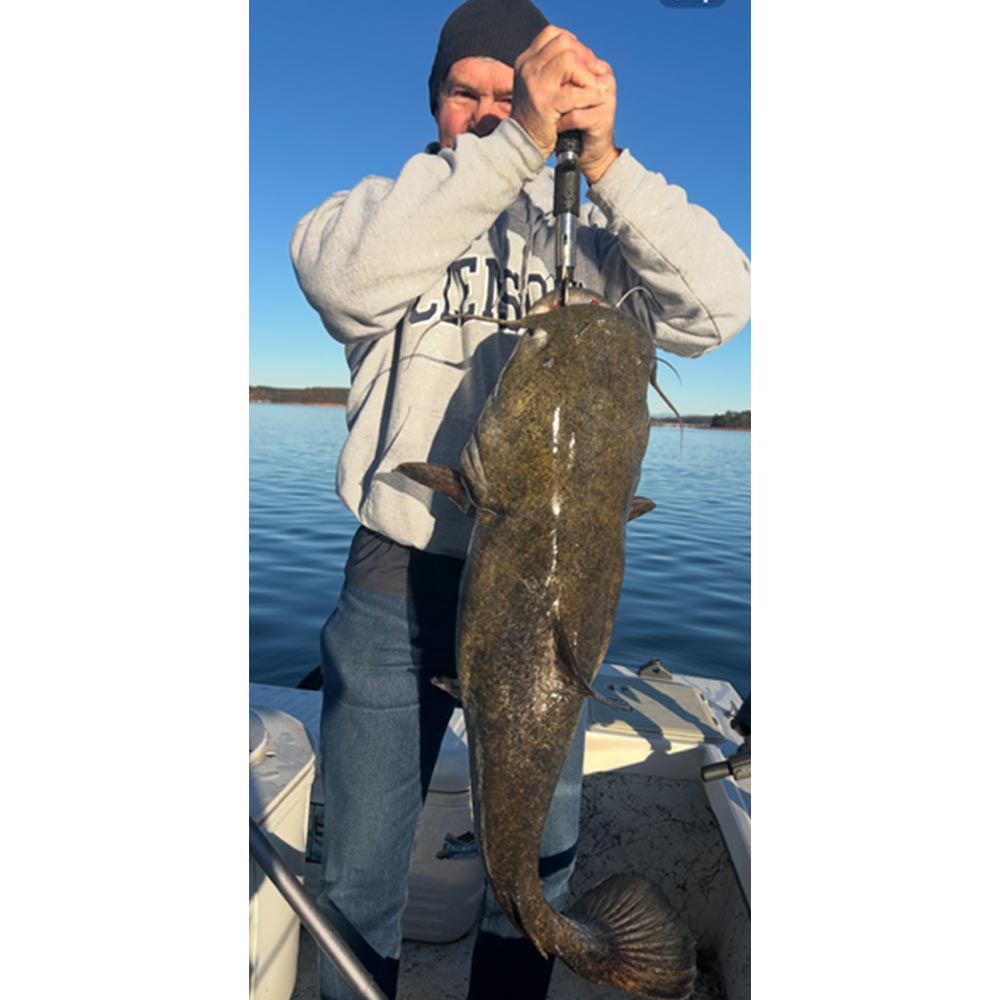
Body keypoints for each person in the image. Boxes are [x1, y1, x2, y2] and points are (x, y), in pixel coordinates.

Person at [289, 1, 750, 997]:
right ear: (433, 99)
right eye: (470, 93)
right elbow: (337, 278)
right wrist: (516, 147)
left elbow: (722, 306)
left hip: (556, 604)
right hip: (395, 582)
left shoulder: (604, 235)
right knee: (359, 875)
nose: (498, 112)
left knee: (536, 868)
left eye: (518, 92)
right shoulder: (390, 212)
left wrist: (606, 161)